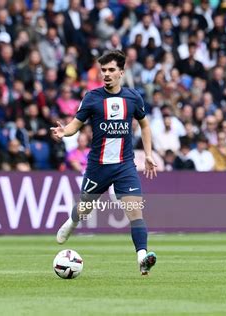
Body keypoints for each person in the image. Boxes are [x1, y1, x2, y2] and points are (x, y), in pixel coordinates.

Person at [51, 50, 158, 275]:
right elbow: (75, 125)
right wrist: (64, 132)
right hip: (97, 167)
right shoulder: (92, 98)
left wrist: (148, 154)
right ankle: (71, 223)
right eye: (103, 70)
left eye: (111, 70)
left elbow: (145, 125)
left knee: (134, 210)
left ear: (121, 72)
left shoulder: (133, 97)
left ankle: (142, 257)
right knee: (84, 208)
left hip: (124, 166)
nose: (106, 74)